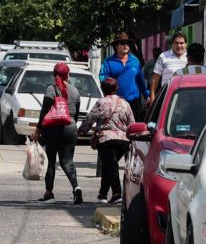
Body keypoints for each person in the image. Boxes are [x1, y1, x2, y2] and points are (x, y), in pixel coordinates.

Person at [31, 62, 83, 204]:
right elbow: (76, 114)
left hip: (53, 129)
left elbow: (45, 112)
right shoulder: (75, 91)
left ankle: (49, 193)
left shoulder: (51, 89)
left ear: (54, 75)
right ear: (68, 75)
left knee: (51, 161)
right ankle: (76, 187)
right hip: (70, 127)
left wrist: (38, 130)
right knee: (67, 161)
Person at [78, 78, 134, 205]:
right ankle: (102, 194)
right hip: (123, 141)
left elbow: (90, 119)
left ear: (103, 89)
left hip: (106, 140)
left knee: (111, 166)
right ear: (116, 88)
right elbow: (132, 123)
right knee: (109, 166)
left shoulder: (101, 102)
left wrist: (81, 131)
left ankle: (117, 193)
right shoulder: (125, 104)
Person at [99, 32, 148, 122]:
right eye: (122, 43)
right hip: (115, 103)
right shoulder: (108, 62)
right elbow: (102, 79)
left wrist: (146, 95)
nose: (126, 45)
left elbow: (140, 80)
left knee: (134, 130)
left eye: (127, 43)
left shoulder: (135, 61)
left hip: (134, 102)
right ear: (116, 46)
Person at [149, 32, 188, 104]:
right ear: (172, 44)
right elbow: (155, 79)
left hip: (185, 99)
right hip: (167, 99)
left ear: (186, 44)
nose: (179, 45)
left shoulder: (189, 58)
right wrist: (152, 100)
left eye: (181, 43)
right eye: (176, 43)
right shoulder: (163, 56)